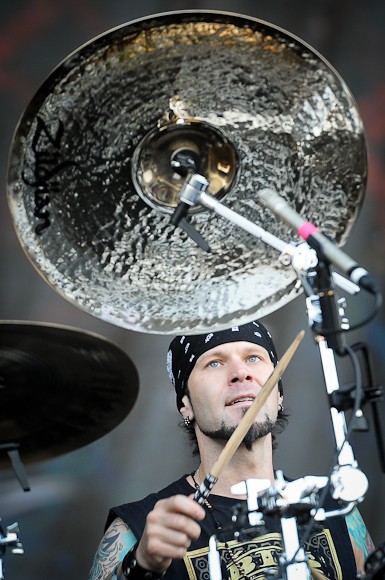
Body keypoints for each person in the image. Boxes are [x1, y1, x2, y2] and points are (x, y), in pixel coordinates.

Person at [89, 319, 375, 579]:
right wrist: (141, 565)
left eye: (254, 357)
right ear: (185, 405)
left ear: (278, 395)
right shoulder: (138, 529)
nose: (241, 373)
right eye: (214, 362)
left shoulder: (336, 509)